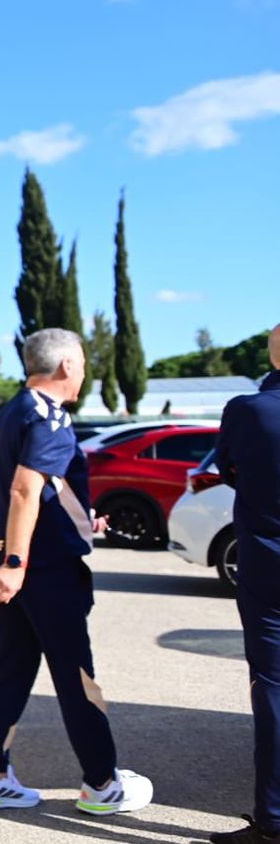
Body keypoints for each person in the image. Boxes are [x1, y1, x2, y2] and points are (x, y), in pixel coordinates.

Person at [0, 327, 152, 816]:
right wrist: (15, 563)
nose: (85, 370)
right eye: (84, 361)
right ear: (67, 365)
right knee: (76, 675)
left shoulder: (16, 409)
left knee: (11, 672)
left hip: (14, 560)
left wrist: (79, 521)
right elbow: (24, 490)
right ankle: (102, 783)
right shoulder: (50, 418)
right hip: (38, 568)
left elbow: (41, 491)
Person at [208, 326, 280, 843]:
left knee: (273, 689)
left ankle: (273, 820)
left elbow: (229, 468)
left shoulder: (249, 409)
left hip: (269, 571)